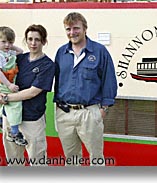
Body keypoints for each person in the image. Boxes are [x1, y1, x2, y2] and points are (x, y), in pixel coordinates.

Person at [54, 12, 117, 166]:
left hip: (89, 113)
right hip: (65, 114)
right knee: (72, 159)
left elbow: (109, 80)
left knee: (96, 159)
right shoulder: (61, 53)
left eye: (76, 28)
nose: (72, 33)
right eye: (68, 29)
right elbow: (56, 80)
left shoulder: (99, 51)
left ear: (85, 28)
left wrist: (104, 109)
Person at [0, 24, 55, 166]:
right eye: (30, 39)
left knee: (37, 161)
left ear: (44, 42)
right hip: (10, 116)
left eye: (37, 39)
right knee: (14, 161)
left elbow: (33, 92)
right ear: (25, 40)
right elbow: (3, 77)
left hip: (32, 119)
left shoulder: (47, 65)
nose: (33, 43)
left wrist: (6, 98)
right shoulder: (18, 59)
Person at [0, 26, 27, 146]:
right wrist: (9, 85)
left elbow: (21, 51)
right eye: (3, 41)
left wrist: (10, 45)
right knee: (15, 104)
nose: (7, 45)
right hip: (5, 82)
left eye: (10, 42)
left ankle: (0, 119)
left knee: (5, 103)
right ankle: (14, 132)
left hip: (8, 81)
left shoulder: (7, 52)